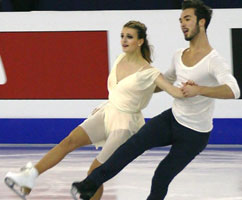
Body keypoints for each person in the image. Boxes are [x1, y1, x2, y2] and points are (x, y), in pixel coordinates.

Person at [70, 1, 241, 200]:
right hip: (172, 119)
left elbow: (234, 90)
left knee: (162, 175)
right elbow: (164, 82)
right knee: (131, 146)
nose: (182, 24)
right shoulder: (179, 55)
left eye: (187, 19)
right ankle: (89, 184)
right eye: (180, 20)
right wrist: (136, 88)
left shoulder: (214, 60)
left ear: (201, 23)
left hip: (195, 135)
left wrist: (199, 90)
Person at [4, 21, 184, 200]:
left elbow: (171, 90)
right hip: (108, 112)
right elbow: (141, 89)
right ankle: (30, 177)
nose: (124, 40)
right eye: (122, 36)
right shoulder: (120, 59)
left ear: (140, 41)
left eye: (129, 37)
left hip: (125, 126)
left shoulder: (149, 72)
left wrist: (191, 88)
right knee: (69, 141)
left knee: (95, 173)